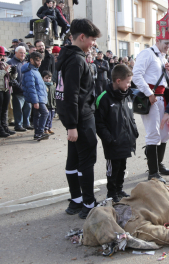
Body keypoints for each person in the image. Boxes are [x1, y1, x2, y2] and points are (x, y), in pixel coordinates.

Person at [55, 18, 101, 219]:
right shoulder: (76, 60)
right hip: (81, 118)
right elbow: (71, 94)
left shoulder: (67, 56)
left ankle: (76, 200)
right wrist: (72, 125)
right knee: (86, 161)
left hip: (74, 118)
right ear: (82, 37)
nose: (93, 44)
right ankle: (88, 203)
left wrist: (69, 123)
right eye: (92, 39)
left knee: (74, 159)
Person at [132, 1, 169, 184]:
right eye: (166, 43)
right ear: (158, 40)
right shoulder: (147, 54)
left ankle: (159, 164)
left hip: (162, 99)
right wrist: (149, 93)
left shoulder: (162, 57)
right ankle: (152, 172)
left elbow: (167, 84)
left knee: (164, 133)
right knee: (153, 134)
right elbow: (136, 75)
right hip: (151, 100)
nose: (168, 46)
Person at [95, 64, 138, 202]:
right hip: (112, 142)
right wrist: (109, 139)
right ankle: (111, 193)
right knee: (113, 169)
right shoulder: (104, 98)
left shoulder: (127, 96)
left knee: (122, 167)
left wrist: (134, 132)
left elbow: (130, 117)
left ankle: (119, 189)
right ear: (118, 81)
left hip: (126, 140)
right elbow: (99, 123)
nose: (129, 85)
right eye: (128, 82)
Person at [0, 45, 17, 137]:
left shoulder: (4, 63)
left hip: (6, 88)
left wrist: (14, 72)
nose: (2, 57)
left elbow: (11, 78)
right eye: (0, 55)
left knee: (5, 110)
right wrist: (5, 71)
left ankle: (5, 127)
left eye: (3, 55)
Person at [21, 51, 49, 140]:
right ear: (31, 60)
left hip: (39, 97)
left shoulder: (34, 70)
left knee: (37, 115)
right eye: (37, 60)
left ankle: (37, 133)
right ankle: (40, 132)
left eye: (40, 60)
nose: (39, 63)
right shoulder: (29, 72)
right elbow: (31, 88)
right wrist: (35, 101)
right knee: (45, 113)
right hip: (37, 98)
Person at [7, 45, 33, 132]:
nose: (23, 54)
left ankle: (26, 124)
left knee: (27, 108)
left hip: (27, 90)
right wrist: (18, 86)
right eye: (20, 52)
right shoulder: (10, 62)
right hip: (17, 90)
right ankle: (18, 125)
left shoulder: (26, 63)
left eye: (24, 53)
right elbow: (10, 77)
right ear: (15, 53)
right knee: (18, 109)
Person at [41, 71, 56, 135]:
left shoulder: (53, 86)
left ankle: (49, 128)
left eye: (49, 78)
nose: (48, 80)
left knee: (52, 116)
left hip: (52, 104)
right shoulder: (43, 85)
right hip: (46, 104)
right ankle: (45, 129)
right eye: (46, 78)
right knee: (48, 117)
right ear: (43, 78)